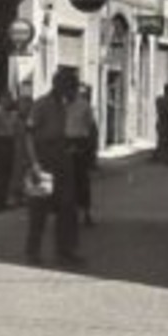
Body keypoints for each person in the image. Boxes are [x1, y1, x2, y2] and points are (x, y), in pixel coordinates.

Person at [24, 67, 82, 267]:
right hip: (43, 162)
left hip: (62, 161)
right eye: (70, 88)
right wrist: (34, 164)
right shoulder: (41, 105)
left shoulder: (63, 106)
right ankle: (32, 253)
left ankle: (65, 250)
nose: (72, 92)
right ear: (60, 86)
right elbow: (29, 136)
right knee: (38, 210)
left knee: (67, 208)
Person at [64, 77, 97, 225]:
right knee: (65, 181)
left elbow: (91, 128)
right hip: (64, 144)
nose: (67, 92)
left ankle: (86, 213)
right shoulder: (61, 104)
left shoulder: (84, 106)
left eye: (70, 89)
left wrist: (90, 150)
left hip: (80, 143)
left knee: (82, 180)